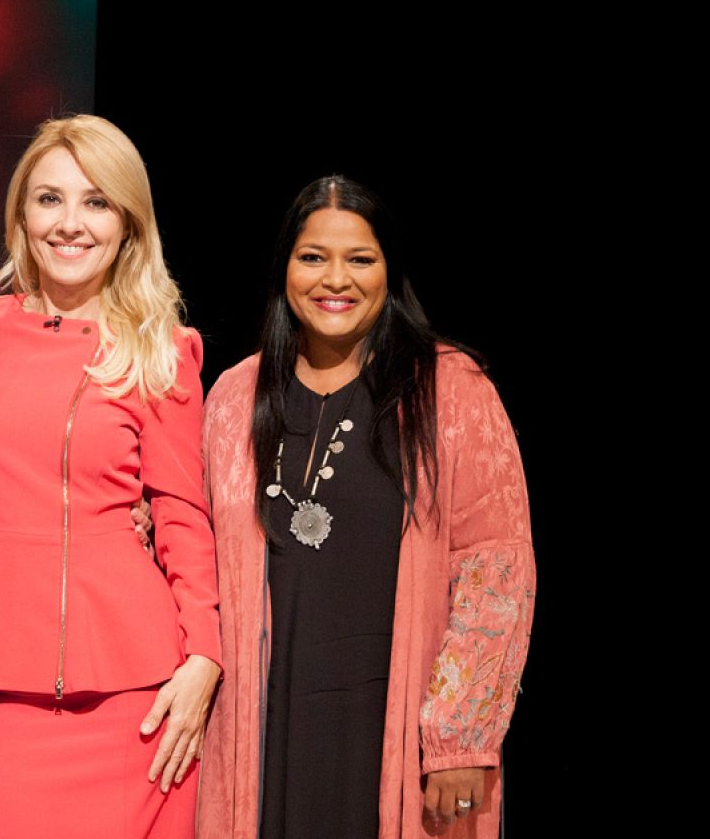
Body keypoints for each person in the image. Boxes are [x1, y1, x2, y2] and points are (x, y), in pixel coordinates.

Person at [195, 177, 535, 839]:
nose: (335, 279)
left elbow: (496, 569)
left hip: (394, 734)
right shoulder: (235, 397)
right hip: (265, 734)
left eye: (360, 258)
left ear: (390, 270)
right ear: (284, 269)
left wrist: (459, 738)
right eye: (313, 256)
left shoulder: (451, 390)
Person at [0, 115, 222, 838]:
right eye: (49, 199)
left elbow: (184, 517)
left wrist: (204, 661)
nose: (71, 223)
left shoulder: (161, 349)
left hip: (136, 693)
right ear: (21, 216)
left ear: (127, 223)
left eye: (96, 202)